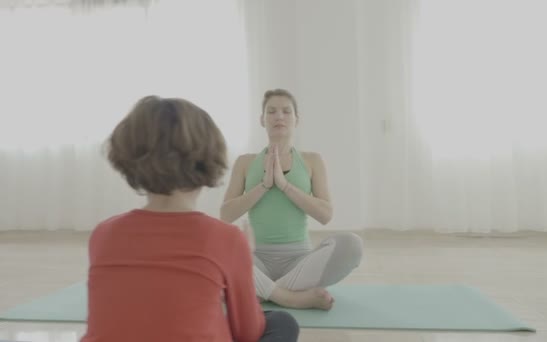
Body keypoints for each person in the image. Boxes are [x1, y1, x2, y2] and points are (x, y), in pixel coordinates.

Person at [81, 96, 299, 342]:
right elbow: (248, 332)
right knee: (281, 322)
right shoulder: (226, 238)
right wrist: (244, 262)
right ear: (209, 158)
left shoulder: (103, 234)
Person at [220, 89, 364, 310]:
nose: (279, 116)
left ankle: (261, 292)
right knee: (218, 246)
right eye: (272, 111)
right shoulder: (245, 163)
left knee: (352, 244)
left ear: (296, 119)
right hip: (257, 262)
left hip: (300, 262)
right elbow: (226, 215)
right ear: (262, 120)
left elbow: (325, 215)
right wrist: (264, 186)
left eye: (286, 111)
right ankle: (291, 297)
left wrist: (285, 185)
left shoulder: (312, 160)